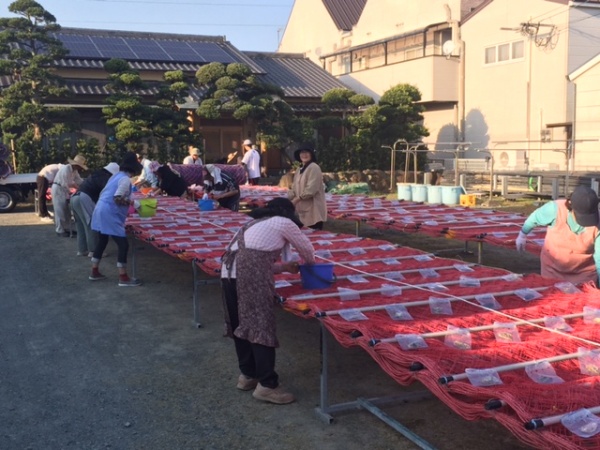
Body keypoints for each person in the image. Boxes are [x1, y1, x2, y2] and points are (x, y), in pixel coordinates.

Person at [221, 197, 315, 404]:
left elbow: (252, 259)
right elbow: (307, 249)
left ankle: (248, 375)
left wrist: (283, 268)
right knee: (259, 326)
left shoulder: (253, 224)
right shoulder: (284, 222)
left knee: (240, 325)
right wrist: (313, 268)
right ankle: (267, 385)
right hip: (250, 278)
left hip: (228, 274)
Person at [516, 185, 600, 285]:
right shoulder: (555, 210)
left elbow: (599, 256)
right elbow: (534, 218)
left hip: (583, 273)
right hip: (552, 269)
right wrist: (522, 234)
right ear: (570, 205)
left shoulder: (598, 223)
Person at [89, 152, 143, 287]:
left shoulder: (116, 176)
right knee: (123, 244)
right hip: (109, 212)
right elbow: (117, 198)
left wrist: (130, 202)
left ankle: (94, 271)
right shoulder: (125, 179)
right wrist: (133, 203)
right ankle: (123, 277)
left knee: (102, 240)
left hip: (100, 209)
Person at [70, 162, 119, 257]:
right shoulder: (105, 178)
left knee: (80, 225)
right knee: (91, 224)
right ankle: (94, 251)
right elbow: (107, 195)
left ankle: (82, 249)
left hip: (74, 198)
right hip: (84, 199)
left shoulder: (97, 174)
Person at [287, 142, 327, 230]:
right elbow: (294, 187)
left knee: (313, 234)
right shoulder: (299, 169)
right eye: (302, 152)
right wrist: (287, 198)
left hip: (314, 210)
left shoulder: (314, 167)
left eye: (306, 152)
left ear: (311, 154)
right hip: (302, 209)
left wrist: (296, 199)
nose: (304, 155)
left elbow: (311, 189)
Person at [51, 155, 87, 237]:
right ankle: (60, 230)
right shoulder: (66, 168)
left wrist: (85, 185)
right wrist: (74, 190)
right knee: (59, 210)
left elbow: (79, 180)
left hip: (64, 190)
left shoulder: (74, 171)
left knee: (66, 210)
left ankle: (67, 228)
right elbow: (65, 183)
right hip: (58, 188)